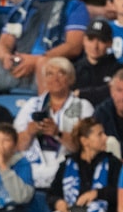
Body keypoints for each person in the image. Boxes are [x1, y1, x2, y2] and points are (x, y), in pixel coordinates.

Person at [0, 0, 89, 93]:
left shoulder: (75, 6)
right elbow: (5, 40)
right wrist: (5, 57)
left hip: (47, 69)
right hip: (16, 66)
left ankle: (44, 111)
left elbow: (74, 46)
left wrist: (36, 60)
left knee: (44, 64)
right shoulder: (24, 4)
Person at [13, 57, 93, 194]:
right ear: (44, 79)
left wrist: (58, 133)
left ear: (71, 79)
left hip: (67, 166)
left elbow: (86, 147)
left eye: (61, 73)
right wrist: (29, 132)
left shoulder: (83, 106)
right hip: (33, 165)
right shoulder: (32, 105)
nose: (55, 78)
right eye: (50, 74)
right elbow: (17, 146)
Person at [46, 117, 121, 212]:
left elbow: (121, 193)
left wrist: (97, 193)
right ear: (85, 141)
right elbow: (52, 194)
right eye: (100, 134)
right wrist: (58, 202)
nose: (105, 138)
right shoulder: (67, 164)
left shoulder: (113, 163)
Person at [74, 19, 123, 106]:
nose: (95, 46)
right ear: (84, 40)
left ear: (110, 43)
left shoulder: (119, 70)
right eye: (91, 39)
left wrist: (82, 93)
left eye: (101, 40)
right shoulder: (74, 69)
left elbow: (114, 93)